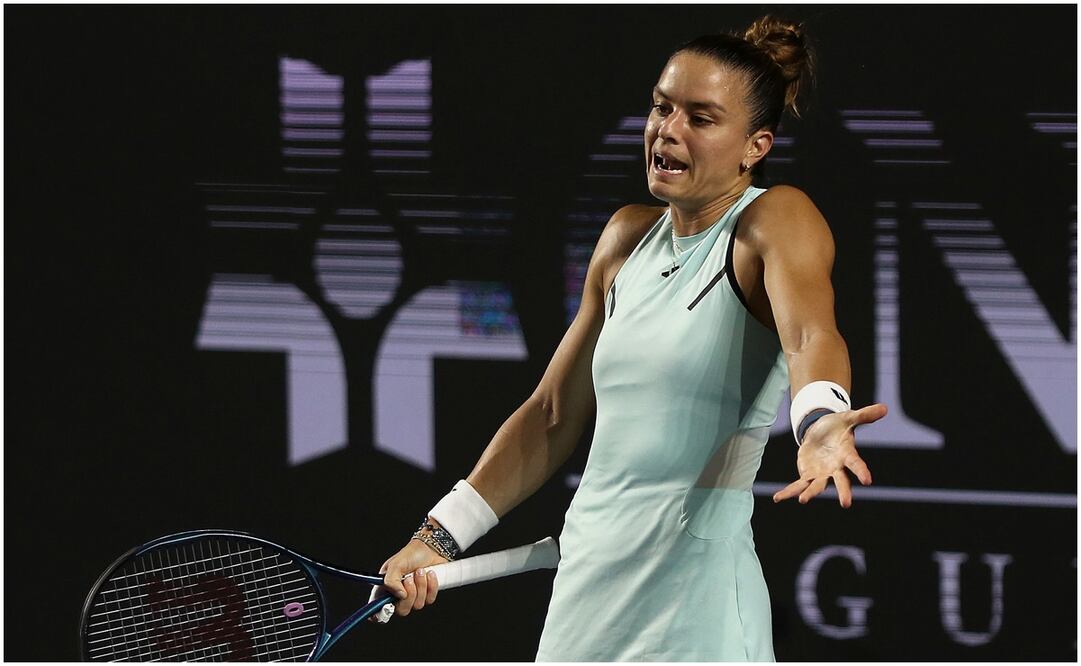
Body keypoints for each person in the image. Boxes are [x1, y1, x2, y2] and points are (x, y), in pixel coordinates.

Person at [371, 15, 888, 661]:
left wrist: (819, 417)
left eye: (699, 118)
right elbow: (551, 414)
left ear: (754, 145)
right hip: (588, 587)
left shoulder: (774, 217)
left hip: (694, 604)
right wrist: (437, 538)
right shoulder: (623, 239)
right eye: (660, 107)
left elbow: (810, 333)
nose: (666, 130)